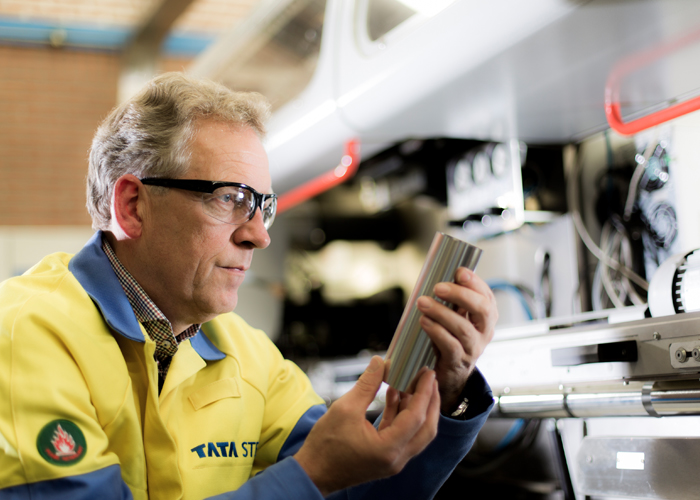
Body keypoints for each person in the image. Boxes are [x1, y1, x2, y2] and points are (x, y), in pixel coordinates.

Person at [0, 72, 498, 499]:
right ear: (133, 206)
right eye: (230, 198)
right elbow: (318, 476)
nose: (258, 234)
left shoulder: (247, 355)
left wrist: (444, 390)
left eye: (263, 205)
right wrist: (312, 473)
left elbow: (356, 486)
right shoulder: (27, 334)